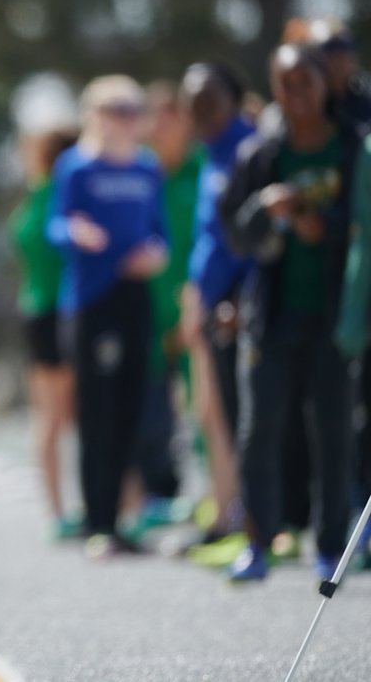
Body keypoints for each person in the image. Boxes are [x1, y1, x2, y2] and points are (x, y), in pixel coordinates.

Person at [218, 43, 359, 583]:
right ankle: (258, 542)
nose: (296, 94)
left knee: (332, 432)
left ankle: (329, 548)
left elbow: (358, 228)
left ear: (324, 86)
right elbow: (234, 231)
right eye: (285, 84)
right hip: (271, 318)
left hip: (333, 318)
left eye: (306, 82)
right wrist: (264, 209)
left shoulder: (351, 148)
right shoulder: (261, 154)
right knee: (260, 431)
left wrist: (323, 226)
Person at [47, 75, 168, 558]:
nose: (123, 118)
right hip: (92, 299)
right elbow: (56, 224)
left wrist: (158, 252)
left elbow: (160, 232)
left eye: (131, 108)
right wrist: (75, 231)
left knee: (133, 408)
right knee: (97, 412)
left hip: (135, 293)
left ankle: (123, 519)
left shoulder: (148, 168)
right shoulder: (76, 167)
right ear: (92, 114)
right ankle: (99, 522)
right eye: (113, 108)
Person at [177, 62, 255, 563]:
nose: (199, 109)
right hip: (207, 297)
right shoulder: (210, 150)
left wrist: (236, 300)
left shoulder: (250, 147)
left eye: (208, 99)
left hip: (239, 300)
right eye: (192, 101)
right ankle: (226, 512)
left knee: (240, 411)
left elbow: (250, 239)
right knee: (211, 411)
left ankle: (252, 522)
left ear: (234, 98)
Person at [125, 81, 202, 533]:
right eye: (153, 116)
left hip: (197, 309)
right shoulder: (142, 172)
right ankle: (158, 500)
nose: (160, 125)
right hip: (148, 312)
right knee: (150, 413)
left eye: (170, 115)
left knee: (207, 411)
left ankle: (216, 500)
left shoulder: (204, 168)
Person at [7, 127, 79, 539]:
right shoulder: (53, 195)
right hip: (54, 311)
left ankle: (58, 510)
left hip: (37, 310)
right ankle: (73, 509)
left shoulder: (39, 197)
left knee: (51, 418)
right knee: (64, 417)